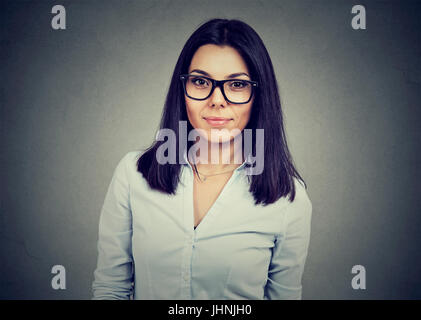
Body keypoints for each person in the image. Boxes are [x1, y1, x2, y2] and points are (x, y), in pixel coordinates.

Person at [92, 18, 312, 300]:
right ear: (182, 89)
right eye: (200, 81)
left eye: (236, 84)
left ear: (258, 95)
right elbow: (111, 288)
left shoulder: (289, 199)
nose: (217, 100)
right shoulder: (133, 175)